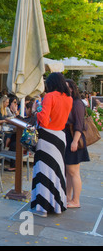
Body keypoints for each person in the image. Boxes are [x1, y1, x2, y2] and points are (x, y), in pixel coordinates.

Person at [30, 72, 73, 217]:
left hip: (47, 136)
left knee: (44, 169)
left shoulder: (49, 96)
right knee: (57, 170)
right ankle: (57, 204)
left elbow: (44, 120)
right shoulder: (68, 98)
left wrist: (37, 109)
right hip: (60, 136)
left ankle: (42, 207)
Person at [64, 79, 90, 209]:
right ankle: (68, 197)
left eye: (66, 87)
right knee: (69, 171)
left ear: (72, 89)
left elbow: (79, 125)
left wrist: (74, 141)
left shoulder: (77, 103)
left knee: (74, 171)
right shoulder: (70, 102)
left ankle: (76, 200)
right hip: (69, 137)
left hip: (75, 138)